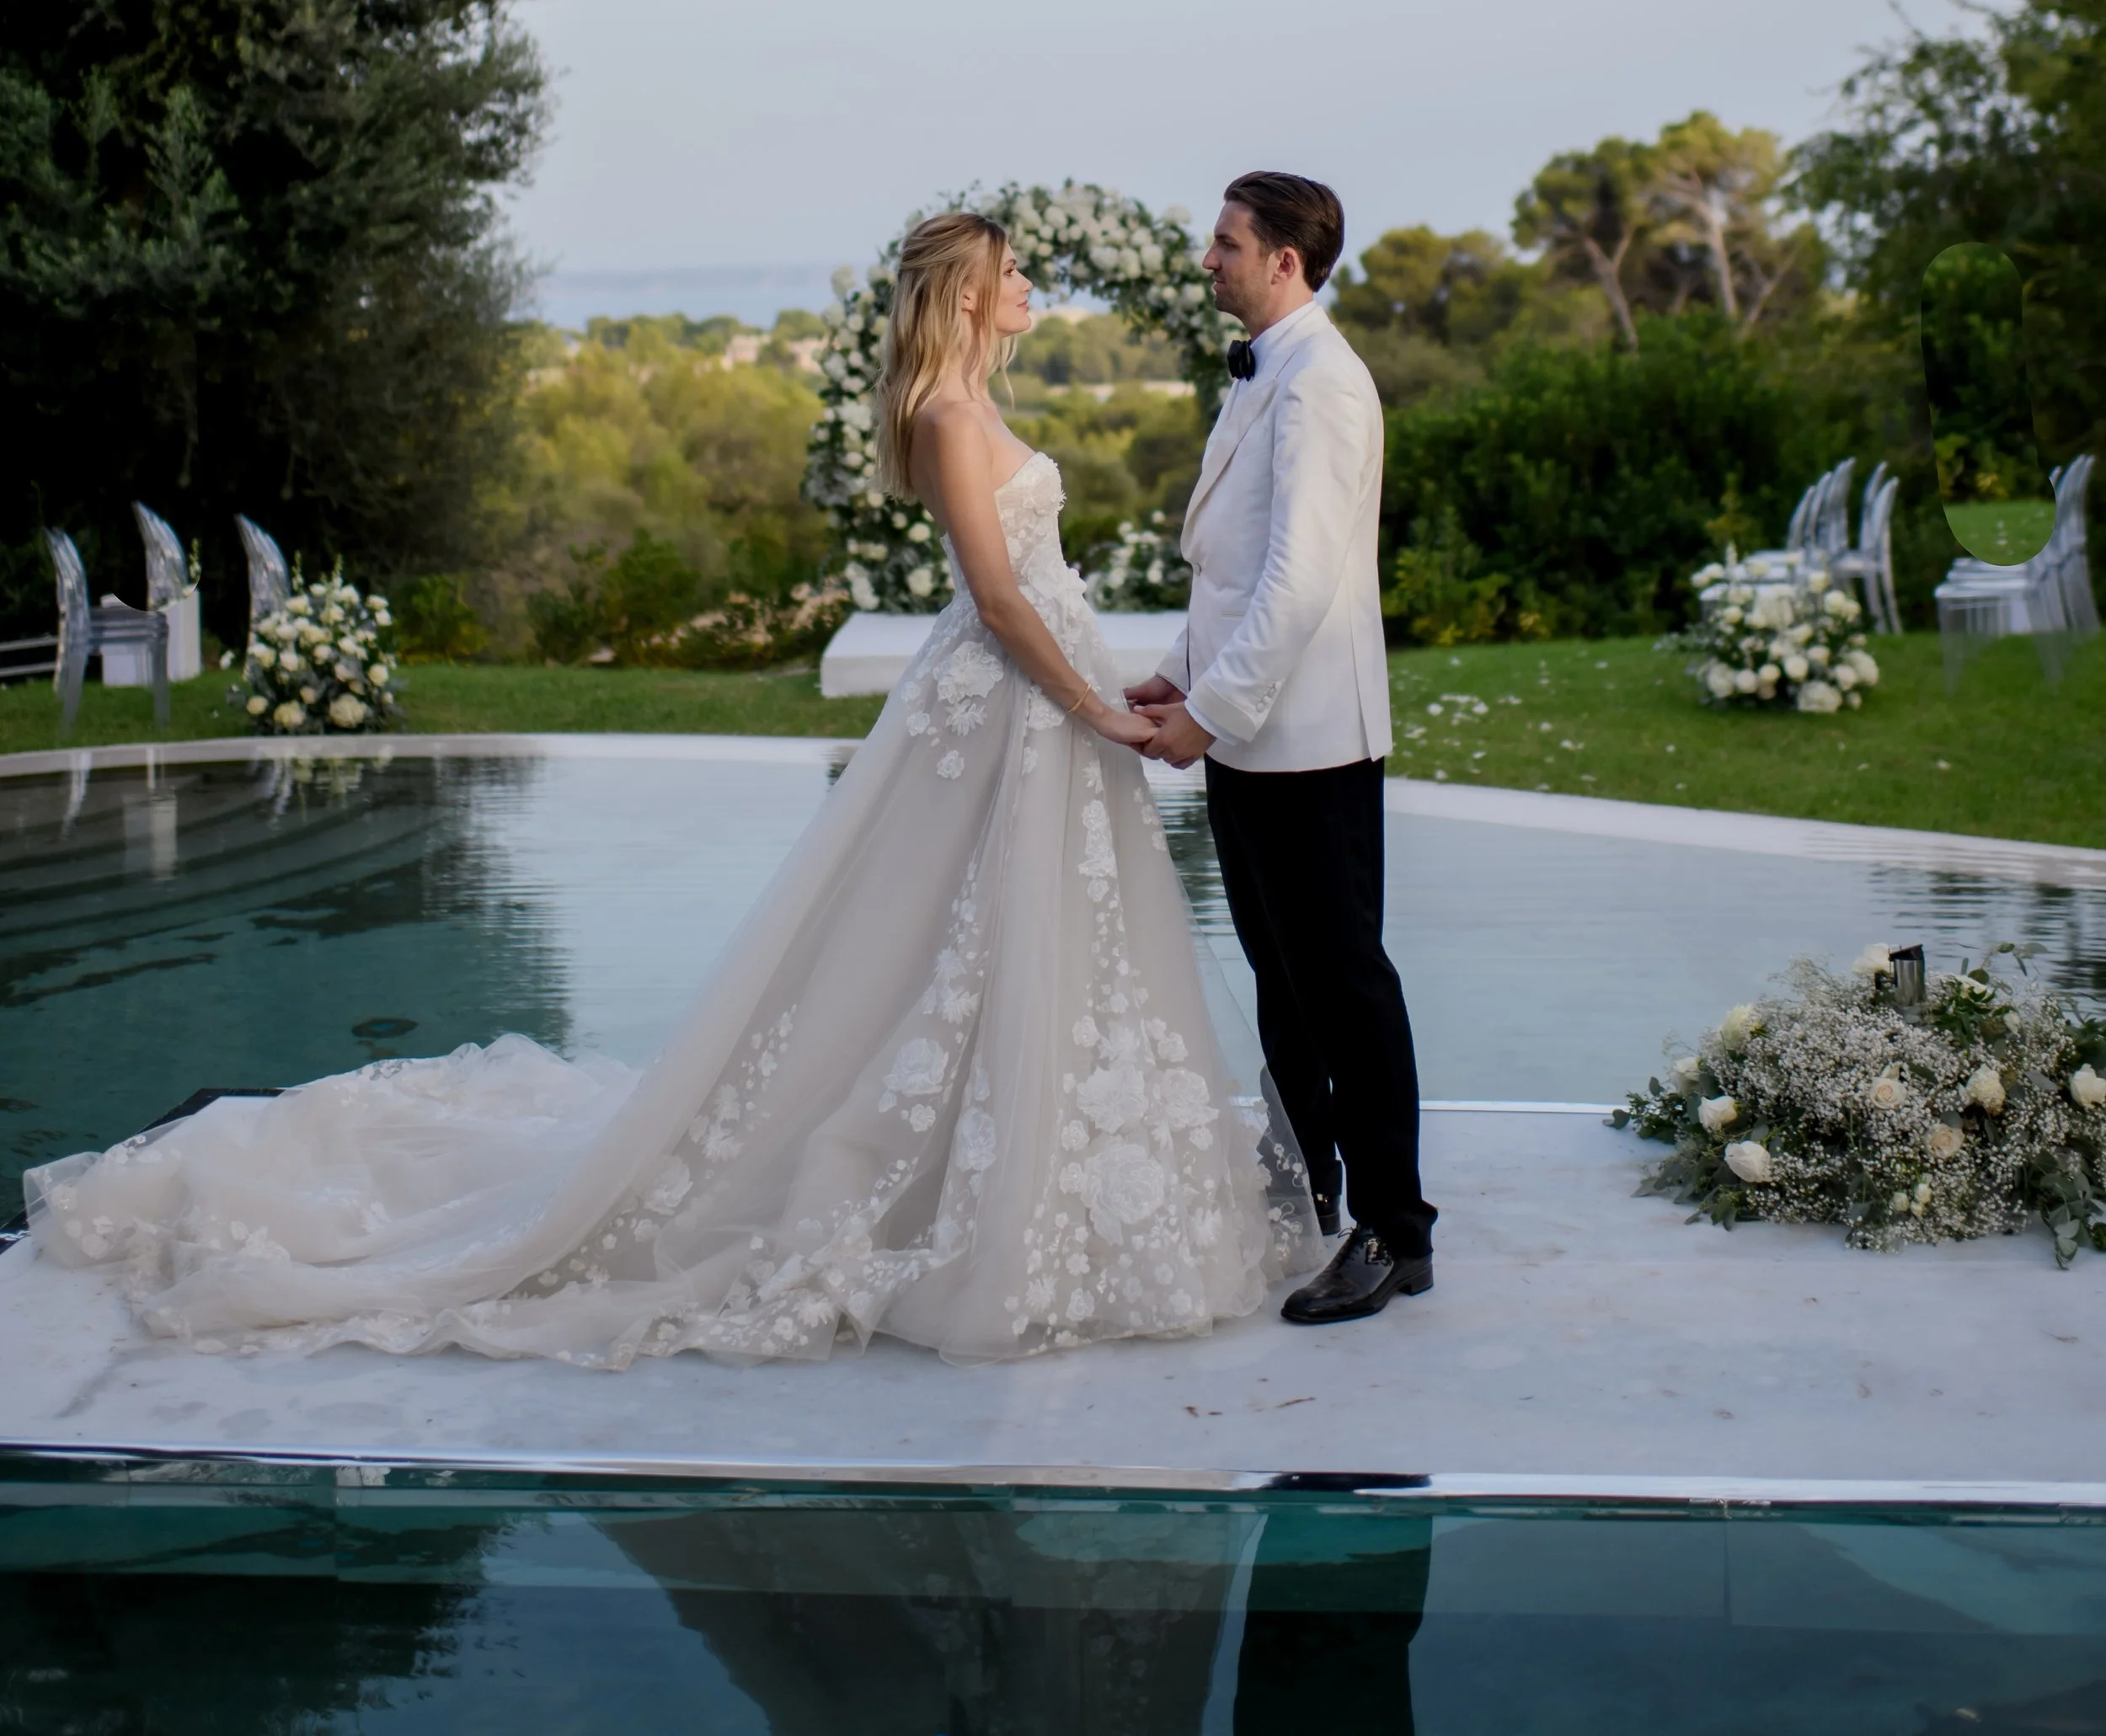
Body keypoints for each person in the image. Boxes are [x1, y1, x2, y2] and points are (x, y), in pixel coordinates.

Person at [29, 211, 1320, 1367]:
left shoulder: (973, 405)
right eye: (1014, 271)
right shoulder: (940, 416)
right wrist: (1092, 704)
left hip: (1037, 708)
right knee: (953, 944)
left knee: (1009, 949)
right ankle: (959, 1194)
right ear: (969, 295)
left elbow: (1028, 588)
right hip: (1012, 705)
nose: (1033, 281)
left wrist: (1119, 686)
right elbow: (993, 599)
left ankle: (1040, 1175)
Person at [1132, 173, 1436, 1323]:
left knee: (1346, 988)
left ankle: (1396, 1233)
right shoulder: (1269, 371)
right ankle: (1308, 1171)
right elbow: (1235, 562)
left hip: (1306, 739)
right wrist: (1180, 668)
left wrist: (1209, 711)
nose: (1209, 260)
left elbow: (1303, 579)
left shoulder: (1324, 386)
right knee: (1282, 978)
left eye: (1225, 244)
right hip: (1250, 738)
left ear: (1284, 263)